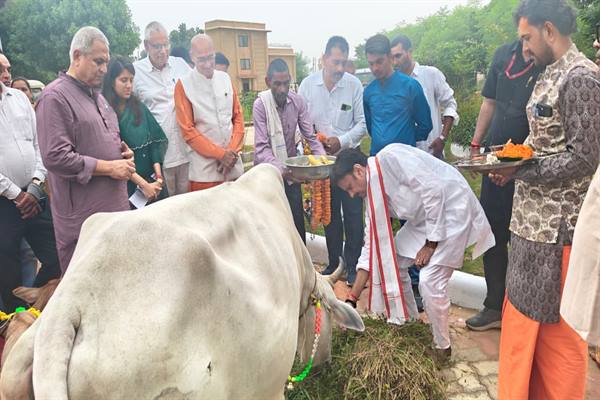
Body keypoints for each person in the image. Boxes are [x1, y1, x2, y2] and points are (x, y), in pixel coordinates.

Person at [489, 1, 600, 398]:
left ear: (549, 30)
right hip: (529, 227)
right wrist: (510, 158)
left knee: (558, 340)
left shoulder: (581, 78)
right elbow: (544, 140)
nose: (524, 49)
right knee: (522, 331)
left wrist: (522, 171)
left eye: (527, 38)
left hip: (559, 235)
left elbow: (585, 157)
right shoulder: (548, 74)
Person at [333, 146, 494, 361]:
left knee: (429, 282)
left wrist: (431, 243)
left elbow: (433, 190)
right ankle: (409, 321)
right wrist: (351, 300)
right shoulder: (372, 194)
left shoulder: (391, 157)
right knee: (394, 260)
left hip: (452, 210)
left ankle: (442, 347)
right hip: (424, 221)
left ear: (358, 170)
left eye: (350, 187)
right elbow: (371, 248)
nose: (352, 194)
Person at [36, 26, 133, 272]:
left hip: (114, 214)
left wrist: (123, 154)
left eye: (106, 62)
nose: (104, 69)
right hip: (84, 222)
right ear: (77, 56)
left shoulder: (99, 98)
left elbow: (105, 141)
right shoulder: (54, 97)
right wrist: (109, 167)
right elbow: (55, 156)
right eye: (98, 61)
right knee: (90, 286)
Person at [464, 39, 541, 331]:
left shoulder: (546, 59)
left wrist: (520, 165)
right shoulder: (503, 54)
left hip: (530, 166)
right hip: (495, 159)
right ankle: (494, 305)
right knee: (492, 233)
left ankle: (523, 312)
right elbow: (489, 102)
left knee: (523, 238)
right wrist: (476, 145)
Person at [298, 36, 366, 284]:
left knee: (353, 215)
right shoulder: (308, 86)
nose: (339, 68)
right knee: (329, 214)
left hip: (348, 160)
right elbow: (301, 123)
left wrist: (342, 140)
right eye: (335, 62)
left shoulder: (353, 85)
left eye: (343, 62)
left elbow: (363, 123)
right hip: (322, 163)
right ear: (324, 58)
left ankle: (354, 265)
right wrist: (312, 148)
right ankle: (335, 263)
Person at [0, 67, 61, 313]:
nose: (6, 74)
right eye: (1, 68)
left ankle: (34, 302)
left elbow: (38, 144)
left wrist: (35, 185)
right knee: (7, 263)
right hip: (5, 202)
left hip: (34, 195)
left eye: (7, 68)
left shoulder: (19, 99)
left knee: (58, 255)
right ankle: (15, 318)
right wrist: (16, 194)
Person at [253, 58, 325, 243]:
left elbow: (310, 137)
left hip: (292, 174)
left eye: (286, 83)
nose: (282, 89)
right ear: (268, 82)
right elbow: (261, 149)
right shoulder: (261, 105)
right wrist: (284, 171)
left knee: (296, 223)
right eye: (277, 84)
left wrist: (323, 161)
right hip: (268, 175)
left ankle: (300, 259)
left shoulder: (297, 101)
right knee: (272, 227)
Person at [175, 34, 245, 191]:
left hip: (234, 168)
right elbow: (188, 131)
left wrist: (232, 152)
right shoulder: (184, 85)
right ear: (192, 57)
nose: (207, 64)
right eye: (201, 59)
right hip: (204, 175)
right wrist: (220, 155)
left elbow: (238, 117)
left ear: (214, 53)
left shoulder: (225, 79)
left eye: (210, 58)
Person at [133, 22, 191, 196]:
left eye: (166, 45)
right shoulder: (136, 72)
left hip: (187, 152)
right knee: (166, 206)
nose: (163, 51)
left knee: (189, 204)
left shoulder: (180, 65)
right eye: (157, 46)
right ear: (146, 46)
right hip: (159, 159)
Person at [103, 57, 168, 203]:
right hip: (126, 185)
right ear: (111, 82)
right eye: (123, 80)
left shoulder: (139, 107)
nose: (129, 85)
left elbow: (154, 143)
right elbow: (114, 157)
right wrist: (144, 185)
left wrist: (158, 178)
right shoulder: (105, 113)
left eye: (131, 80)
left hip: (153, 180)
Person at [390, 35, 459, 159]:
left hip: (432, 153)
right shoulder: (392, 84)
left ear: (409, 52)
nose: (395, 62)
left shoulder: (430, 74)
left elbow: (450, 103)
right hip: (405, 156)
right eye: (392, 57)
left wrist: (442, 137)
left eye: (398, 56)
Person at [362, 34, 432, 155]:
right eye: (371, 64)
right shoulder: (369, 92)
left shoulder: (410, 87)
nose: (375, 68)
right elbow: (371, 127)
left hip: (404, 159)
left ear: (390, 57)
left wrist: (406, 138)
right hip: (377, 159)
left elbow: (425, 126)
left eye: (379, 62)